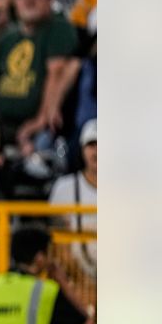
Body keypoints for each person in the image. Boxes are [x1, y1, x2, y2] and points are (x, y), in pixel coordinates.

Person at [0, 0, 79, 155]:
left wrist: (39, 120)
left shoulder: (58, 27)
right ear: (14, 0)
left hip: (40, 127)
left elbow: (57, 72)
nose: (29, 0)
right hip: (3, 123)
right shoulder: (7, 36)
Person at [47, 118, 96, 278]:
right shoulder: (64, 187)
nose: (97, 151)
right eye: (91, 145)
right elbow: (58, 242)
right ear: (82, 149)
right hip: (75, 279)